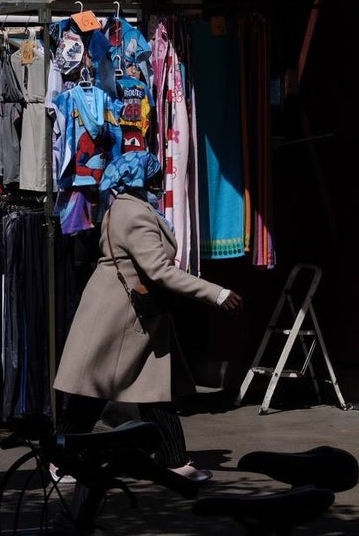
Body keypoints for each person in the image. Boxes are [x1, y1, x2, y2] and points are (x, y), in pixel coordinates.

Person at [53, 150, 242, 482]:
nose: (158, 183)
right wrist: (217, 293)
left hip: (123, 314)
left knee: (142, 391)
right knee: (100, 393)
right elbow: (160, 271)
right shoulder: (135, 214)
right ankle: (64, 460)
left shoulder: (121, 206)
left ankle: (171, 459)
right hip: (122, 318)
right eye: (154, 176)